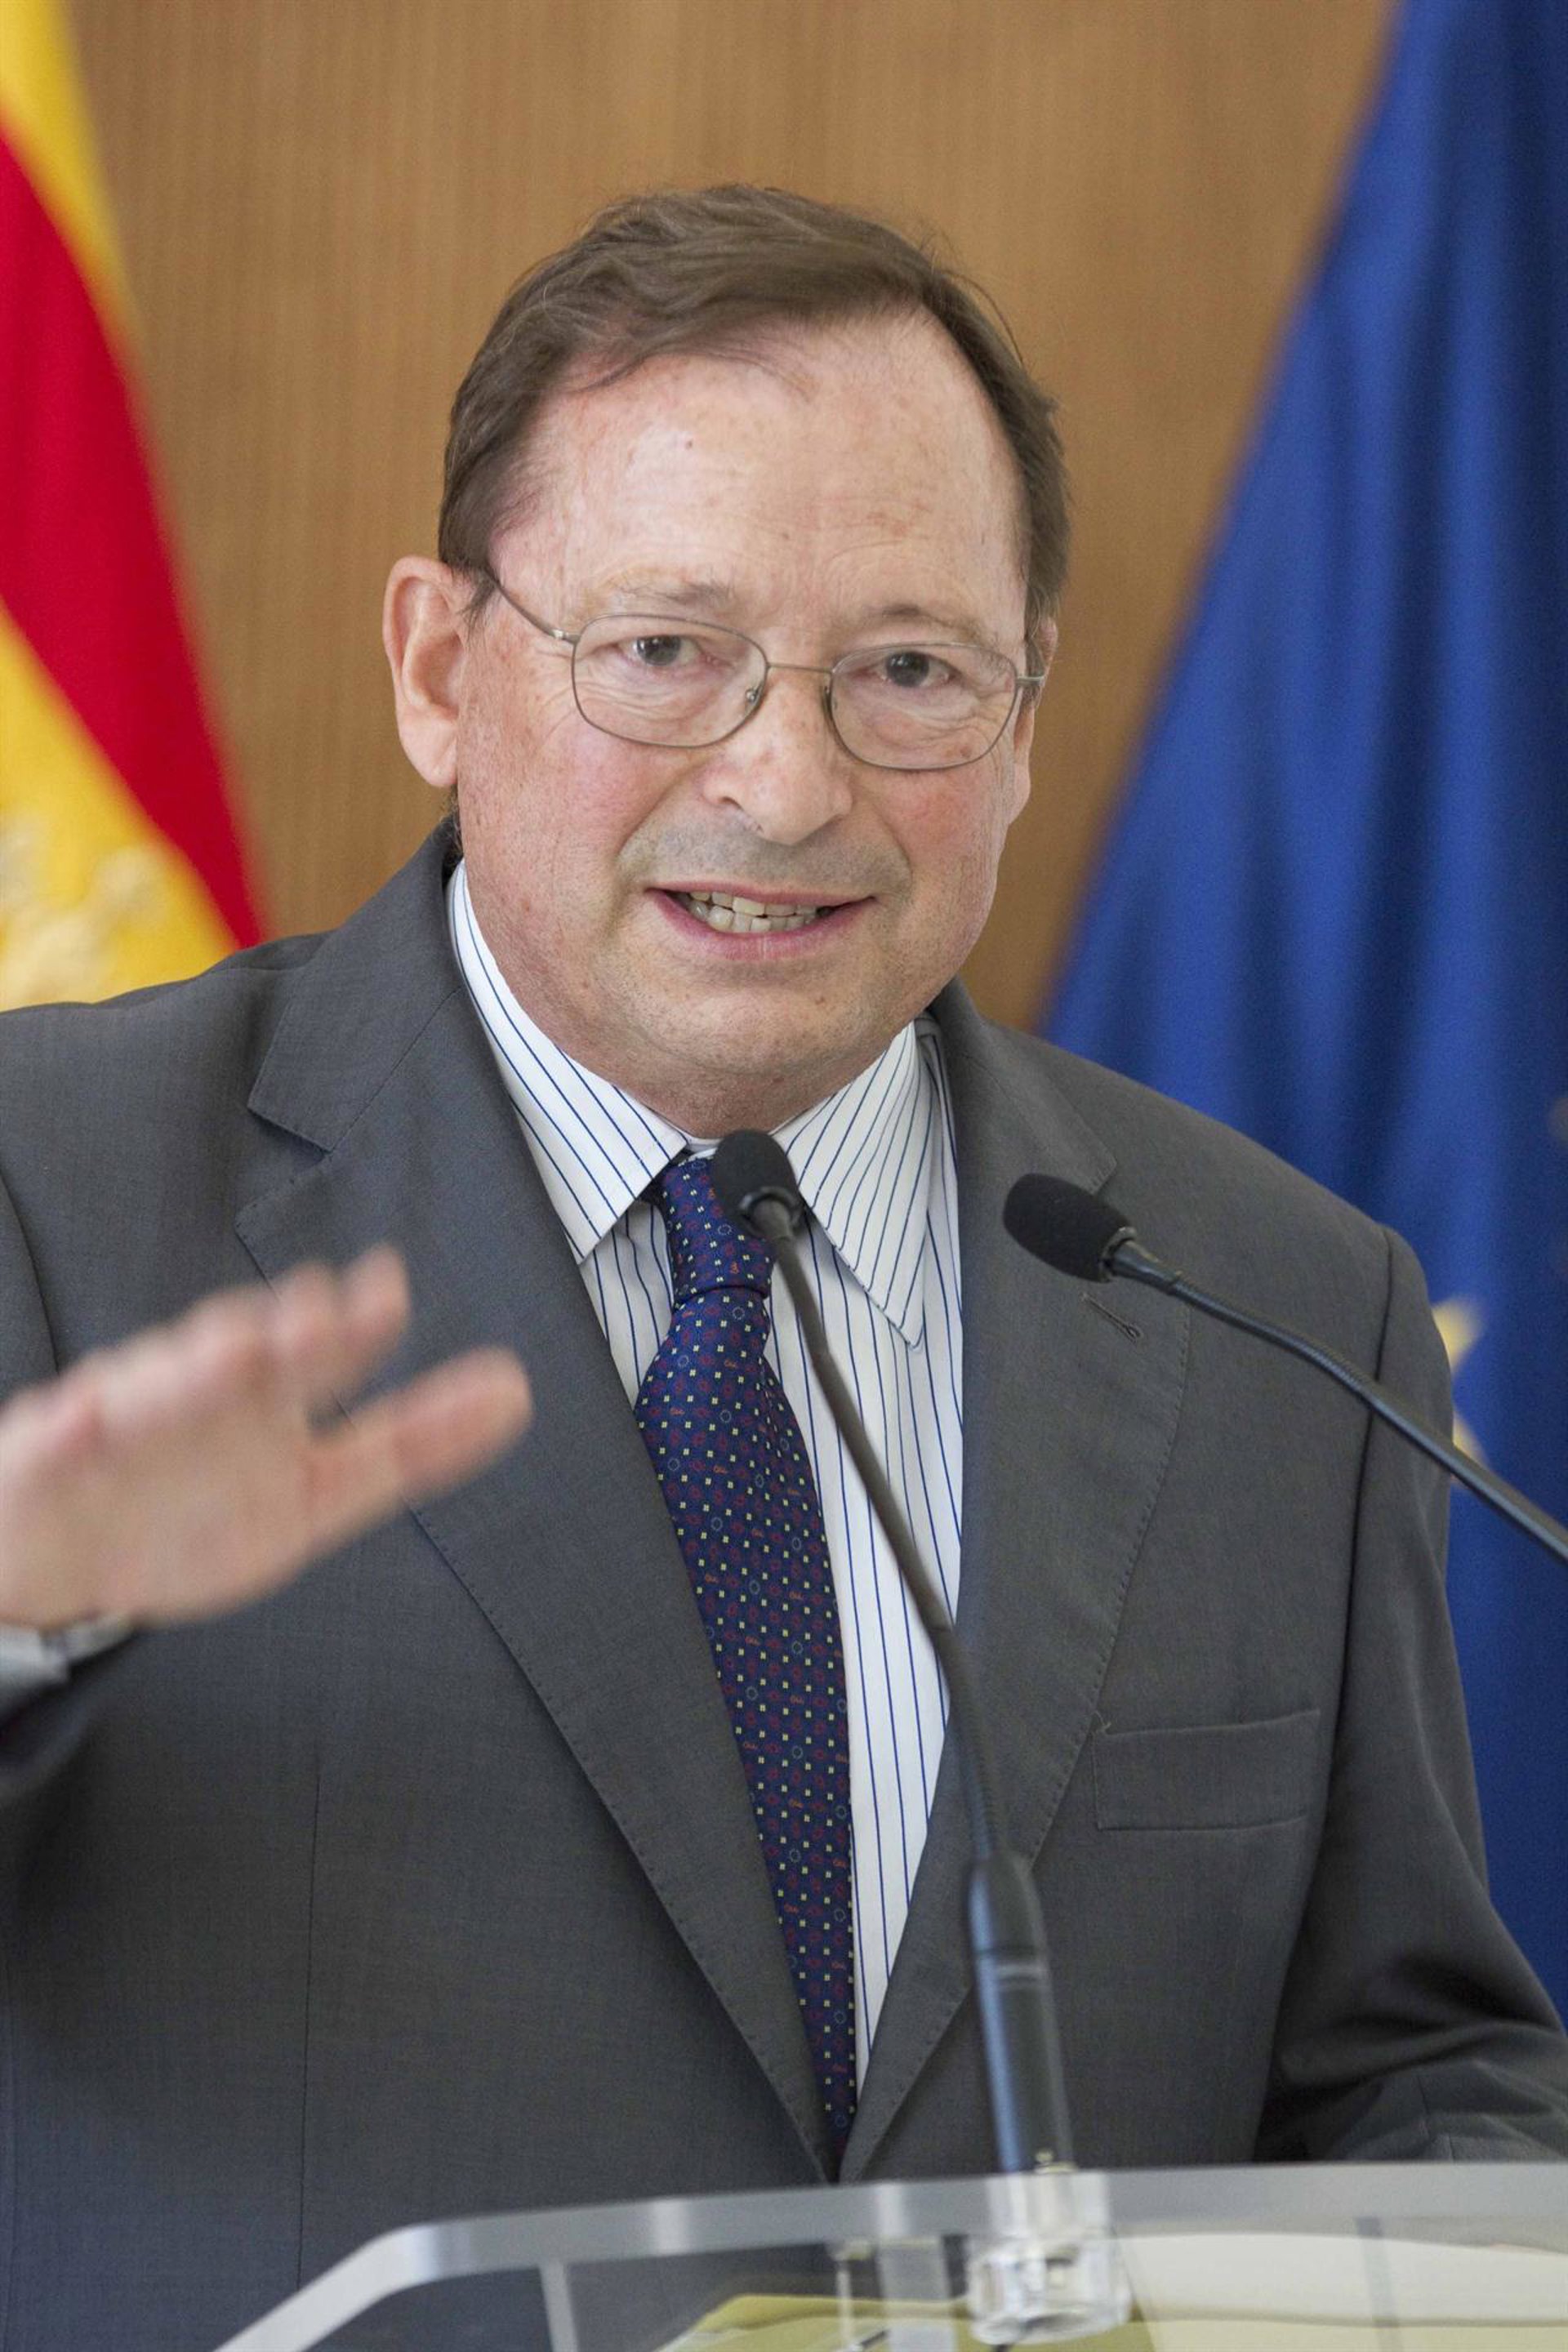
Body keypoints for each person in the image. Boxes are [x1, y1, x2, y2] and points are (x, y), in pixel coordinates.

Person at [0, 185, 1563, 2352]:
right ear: (440, 670)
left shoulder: (1278, 1300)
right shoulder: (49, 1193)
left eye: (909, 672)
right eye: (667, 652)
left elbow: (1411, 2078)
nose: (786, 779)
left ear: (1022, 718)